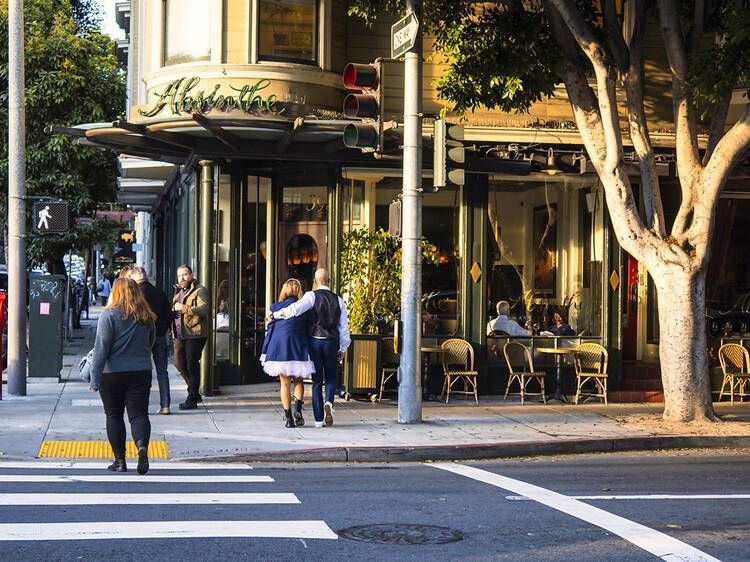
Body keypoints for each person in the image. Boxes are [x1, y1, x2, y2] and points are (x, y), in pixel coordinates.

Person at [88, 278, 155, 475]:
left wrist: (95, 378)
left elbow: (101, 348)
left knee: (114, 414)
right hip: (141, 371)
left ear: (114, 292)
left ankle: (120, 461)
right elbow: (151, 342)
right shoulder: (147, 316)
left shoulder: (108, 315)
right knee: (139, 414)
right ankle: (142, 446)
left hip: (112, 374)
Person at [271, 268, 351, 428]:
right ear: (329, 281)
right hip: (331, 341)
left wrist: (276, 314)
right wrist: (343, 348)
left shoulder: (311, 296)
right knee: (331, 378)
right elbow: (344, 328)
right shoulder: (339, 300)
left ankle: (318, 420)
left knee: (316, 381)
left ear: (315, 281)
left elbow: (294, 310)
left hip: (315, 341)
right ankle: (328, 402)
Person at [261, 279, 315, 428]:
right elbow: (310, 328)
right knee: (298, 381)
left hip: (280, 349)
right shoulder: (304, 307)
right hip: (298, 347)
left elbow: (271, 328)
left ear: (284, 290)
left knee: (284, 384)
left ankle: (289, 418)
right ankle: (298, 408)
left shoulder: (275, 307)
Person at [130, 267, 173, 415]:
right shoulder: (159, 292)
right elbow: (169, 315)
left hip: (142, 337)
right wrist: (164, 329)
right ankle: (165, 405)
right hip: (160, 335)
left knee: (143, 372)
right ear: (146, 276)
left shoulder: (136, 295)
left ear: (135, 278)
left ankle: (143, 406)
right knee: (162, 371)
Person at [172, 264, 209, 410]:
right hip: (180, 333)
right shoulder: (178, 291)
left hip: (195, 333)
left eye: (185, 274)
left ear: (192, 275)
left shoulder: (200, 290)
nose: (182, 278)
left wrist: (184, 308)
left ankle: (192, 399)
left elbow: (204, 309)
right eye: (179, 275)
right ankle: (194, 392)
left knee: (191, 365)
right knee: (178, 363)